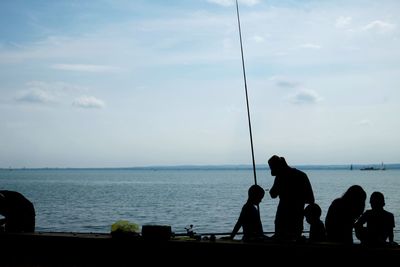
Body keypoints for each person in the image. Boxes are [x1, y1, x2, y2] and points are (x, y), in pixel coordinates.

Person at [268, 155, 315, 241]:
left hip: (282, 218)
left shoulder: (280, 177)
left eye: (271, 168)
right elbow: (311, 199)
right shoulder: (302, 175)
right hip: (297, 217)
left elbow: (273, 194)